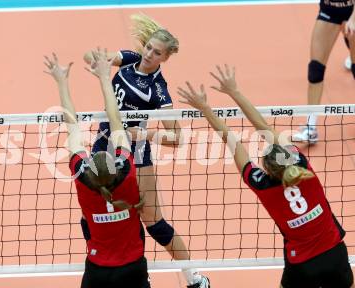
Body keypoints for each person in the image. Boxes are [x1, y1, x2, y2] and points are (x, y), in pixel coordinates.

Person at [178, 65, 354, 288]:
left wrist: (205, 108)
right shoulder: (303, 167)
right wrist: (234, 91)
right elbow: (263, 126)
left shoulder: (263, 186)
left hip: (302, 265)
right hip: (335, 254)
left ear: (268, 171)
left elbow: (232, 142)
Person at [83, 14, 209, 288]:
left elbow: (177, 137)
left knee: (153, 221)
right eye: (149, 47)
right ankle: (132, 269)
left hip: (136, 155)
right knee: (93, 215)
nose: (149, 54)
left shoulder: (158, 90)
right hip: (103, 146)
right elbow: (93, 58)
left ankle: (194, 277)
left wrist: (145, 134)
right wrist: (95, 58)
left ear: (165, 58)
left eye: (157, 52)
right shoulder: (128, 59)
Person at [44, 49, 150, 288]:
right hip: (133, 267)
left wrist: (62, 82)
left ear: (90, 165)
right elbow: (115, 119)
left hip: (98, 272)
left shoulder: (84, 181)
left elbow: (72, 124)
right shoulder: (127, 174)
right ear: (115, 165)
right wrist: (104, 77)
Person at [293, 0, 355, 143]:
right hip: (329, 11)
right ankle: (310, 127)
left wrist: (353, 18)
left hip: (352, 11)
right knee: (315, 70)